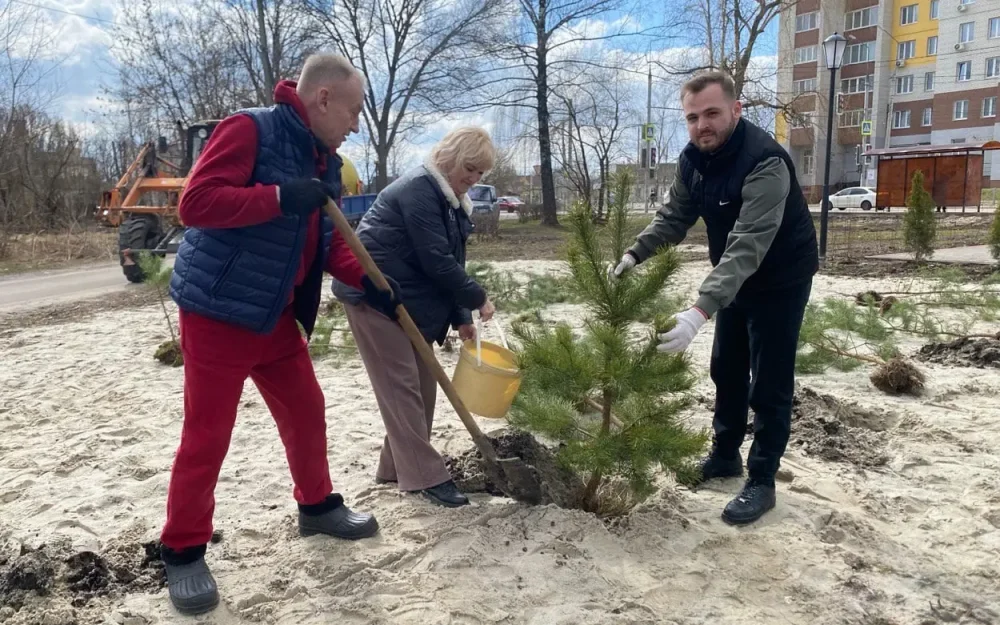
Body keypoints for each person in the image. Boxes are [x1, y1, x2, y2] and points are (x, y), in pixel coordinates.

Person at [160, 54, 399, 615]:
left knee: (306, 408)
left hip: (274, 314)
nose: (357, 123)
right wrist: (275, 198)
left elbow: (331, 240)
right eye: (354, 110)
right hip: (219, 311)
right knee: (208, 433)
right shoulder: (248, 128)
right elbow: (194, 205)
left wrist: (372, 282)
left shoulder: (325, 161)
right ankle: (183, 548)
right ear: (323, 99)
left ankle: (316, 507)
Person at [611, 71, 818, 526]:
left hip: (781, 277)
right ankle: (725, 456)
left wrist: (698, 311)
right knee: (726, 366)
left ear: (736, 109)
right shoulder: (693, 159)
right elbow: (675, 215)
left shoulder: (766, 161)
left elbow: (747, 244)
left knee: (769, 381)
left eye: (711, 113)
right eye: (691, 117)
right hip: (735, 277)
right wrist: (634, 253)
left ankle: (762, 480)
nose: (701, 125)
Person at [332, 127, 496, 508]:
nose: (473, 179)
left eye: (480, 174)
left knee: (423, 386)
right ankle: (424, 477)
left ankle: (394, 467)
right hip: (372, 295)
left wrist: (461, 315)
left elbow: (453, 259)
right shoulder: (419, 190)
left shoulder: (452, 200)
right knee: (401, 386)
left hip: (405, 301)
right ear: (450, 157)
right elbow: (435, 260)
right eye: (469, 169)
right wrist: (478, 296)